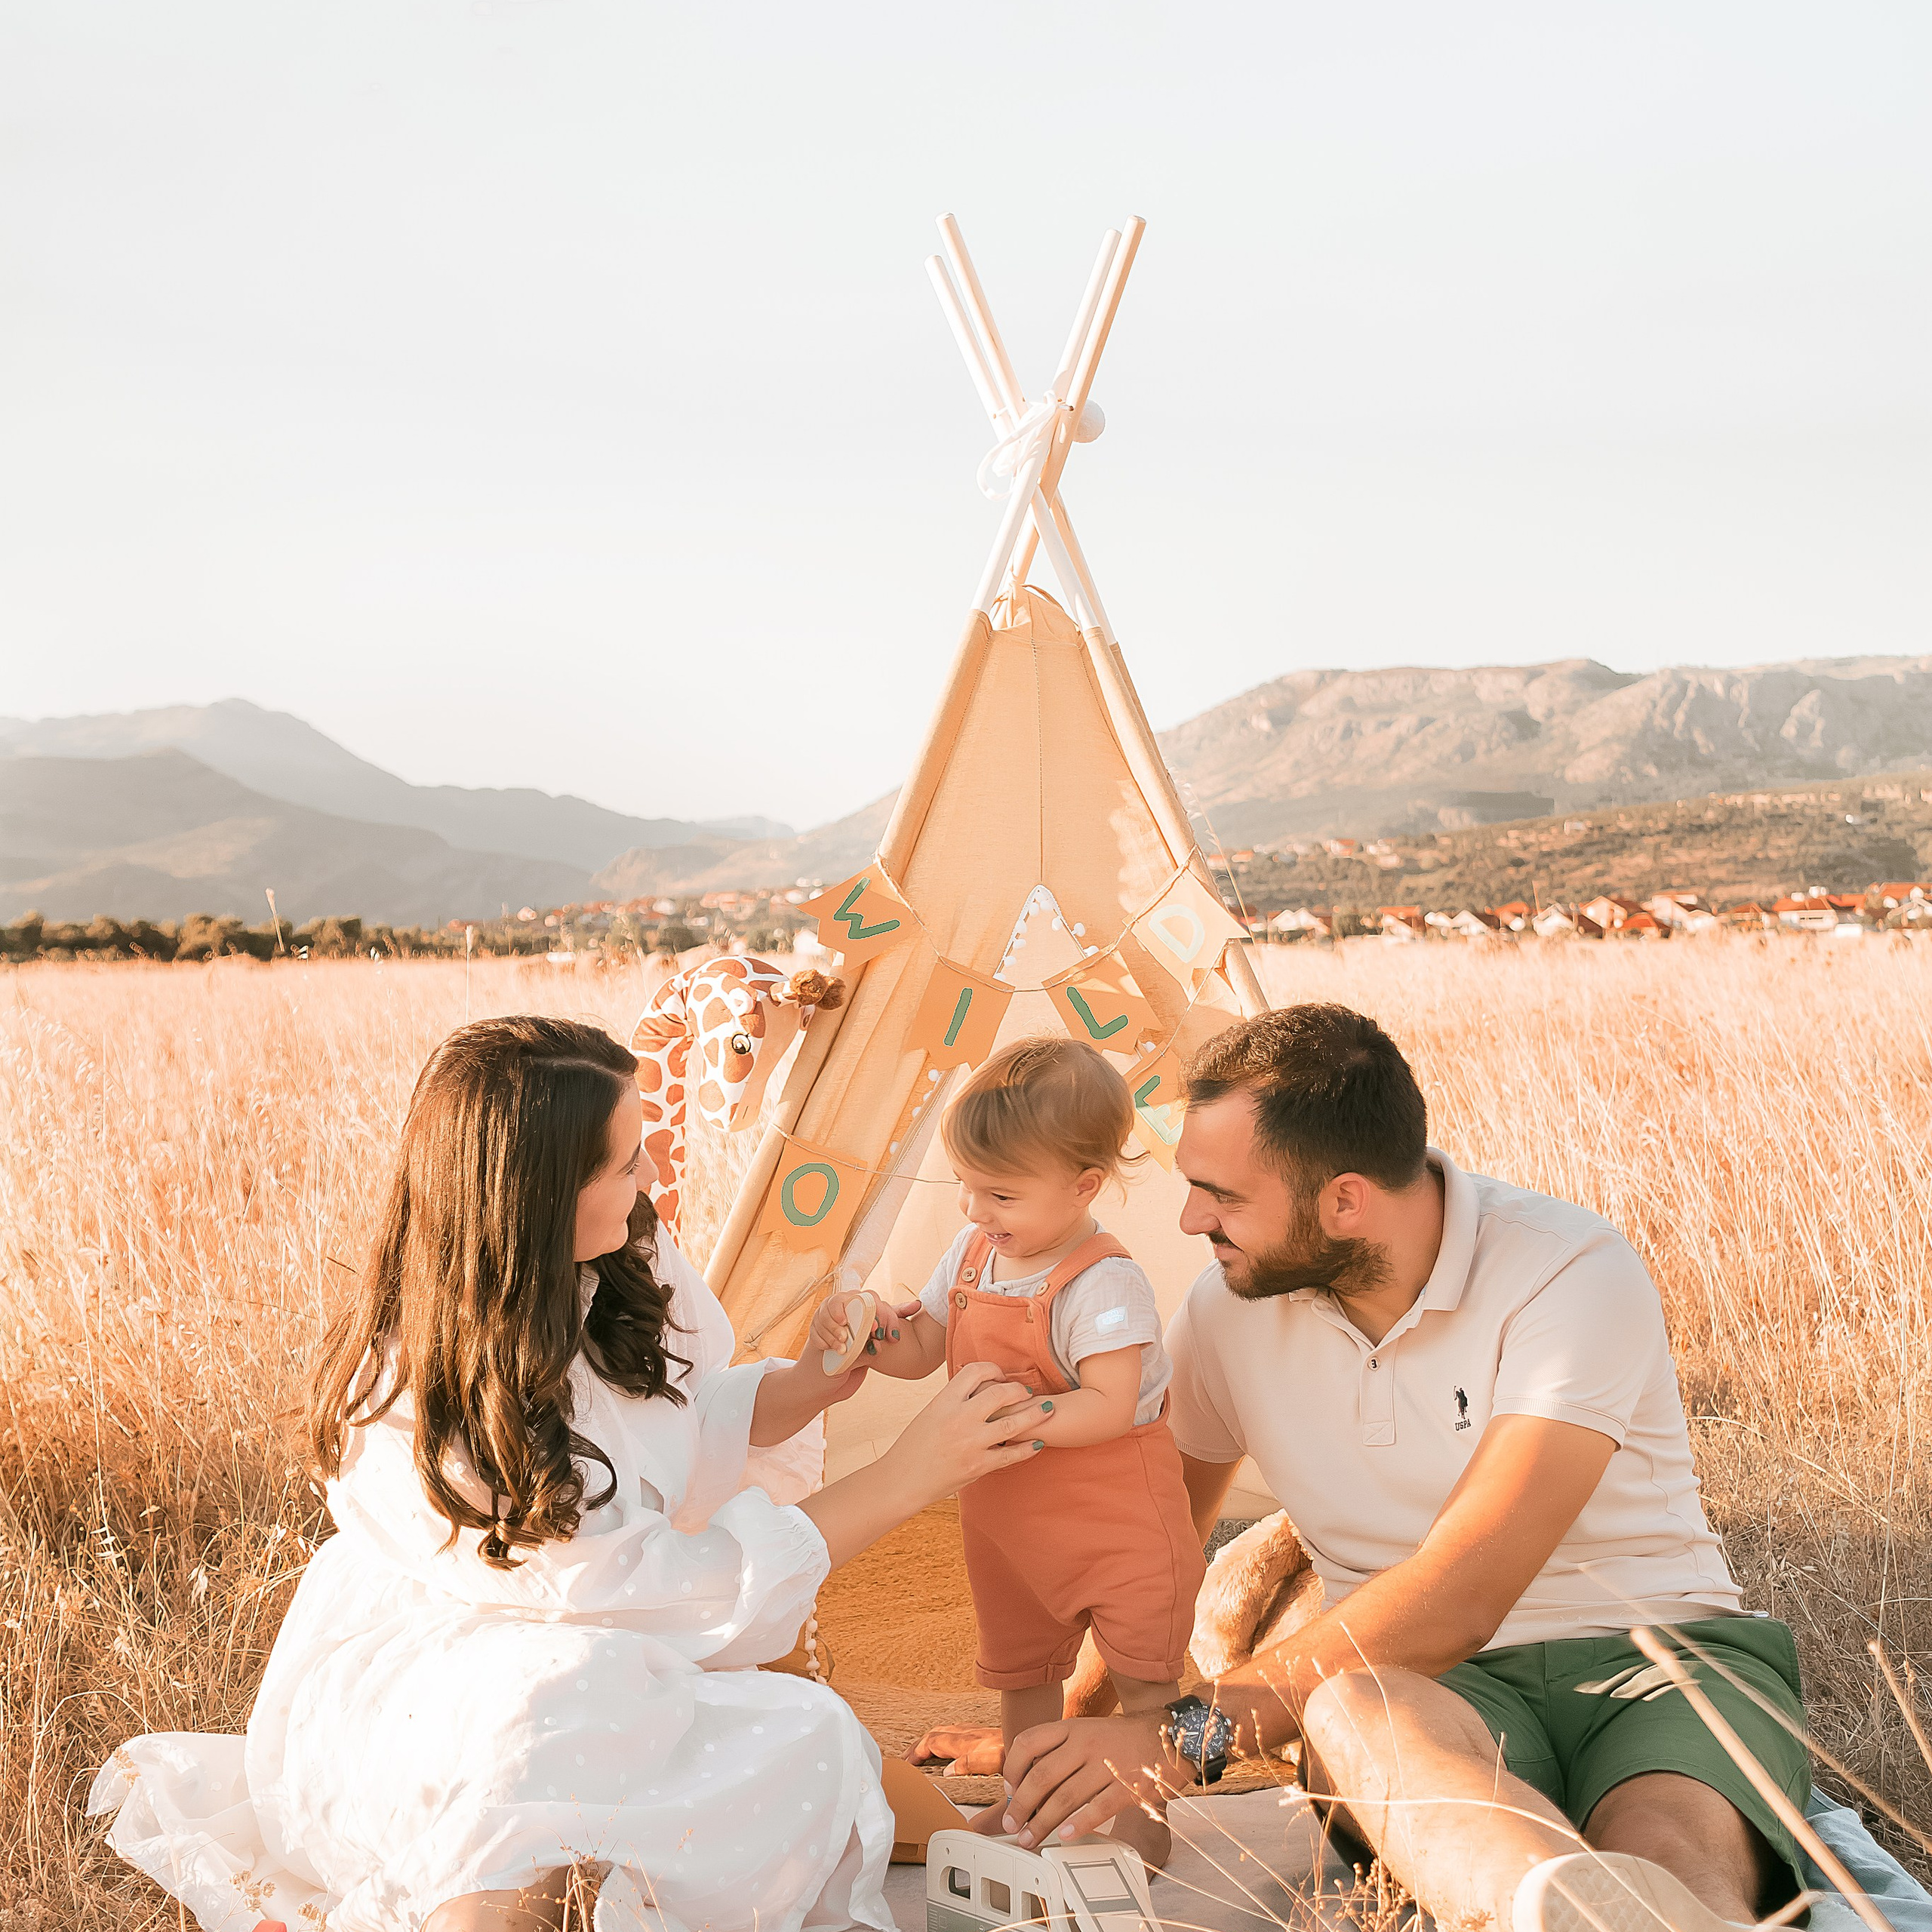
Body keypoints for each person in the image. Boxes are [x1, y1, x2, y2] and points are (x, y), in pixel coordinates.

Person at [93, 1015, 1051, 1932]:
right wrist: (906, 1475)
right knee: (555, 1718)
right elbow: (625, 1589)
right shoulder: (414, 1393)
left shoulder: (629, 1251)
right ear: (538, 1193)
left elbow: (687, 1414)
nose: (649, 1176)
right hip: (465, 1672)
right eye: (624, 1159)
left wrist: (810, 1383)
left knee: (797, 1731)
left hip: (618, 1652)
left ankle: (584, 1880)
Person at [995, 1004, 1813, 1932]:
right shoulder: (1226, 1308)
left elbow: (1466, 1588)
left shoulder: (1569, 1271)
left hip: (1657, 1658)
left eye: (1220, 1195)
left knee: (1666, 1846)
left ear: (1344, 1201)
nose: (1190, 1220)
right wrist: (1068, 1732)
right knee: (1351, 1710)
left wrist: (1175, 1741)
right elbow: (1155, 1542)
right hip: (1407, 1688)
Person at [812, 1038, 1204, 1869]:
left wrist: (1009, 1415)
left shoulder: (1102, 1282)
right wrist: (871, 1332)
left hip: (1116, 1521)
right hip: (1007, 1523)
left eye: (998, 1192)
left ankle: (1145, 1817)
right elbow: (924, 1341)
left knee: (1145, 1680)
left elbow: (1105, 1404)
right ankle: (1029, 1809)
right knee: (1023, 1676)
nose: (971, 1207)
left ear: (1083, 1187)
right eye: (964, 1184)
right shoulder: (975, 1252)